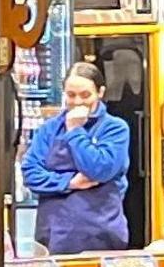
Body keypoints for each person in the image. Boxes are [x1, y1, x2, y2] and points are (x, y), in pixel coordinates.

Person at [19, 60, 136, 255]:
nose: (78, 101)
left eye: (85, 95)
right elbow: (30, 174)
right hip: (52, 236)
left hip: (101, 236)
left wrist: (75, 130)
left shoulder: (115, 128)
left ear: (100, 92)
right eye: (71, 95)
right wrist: (69, 182)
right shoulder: (49, 129)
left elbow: (99, 169)